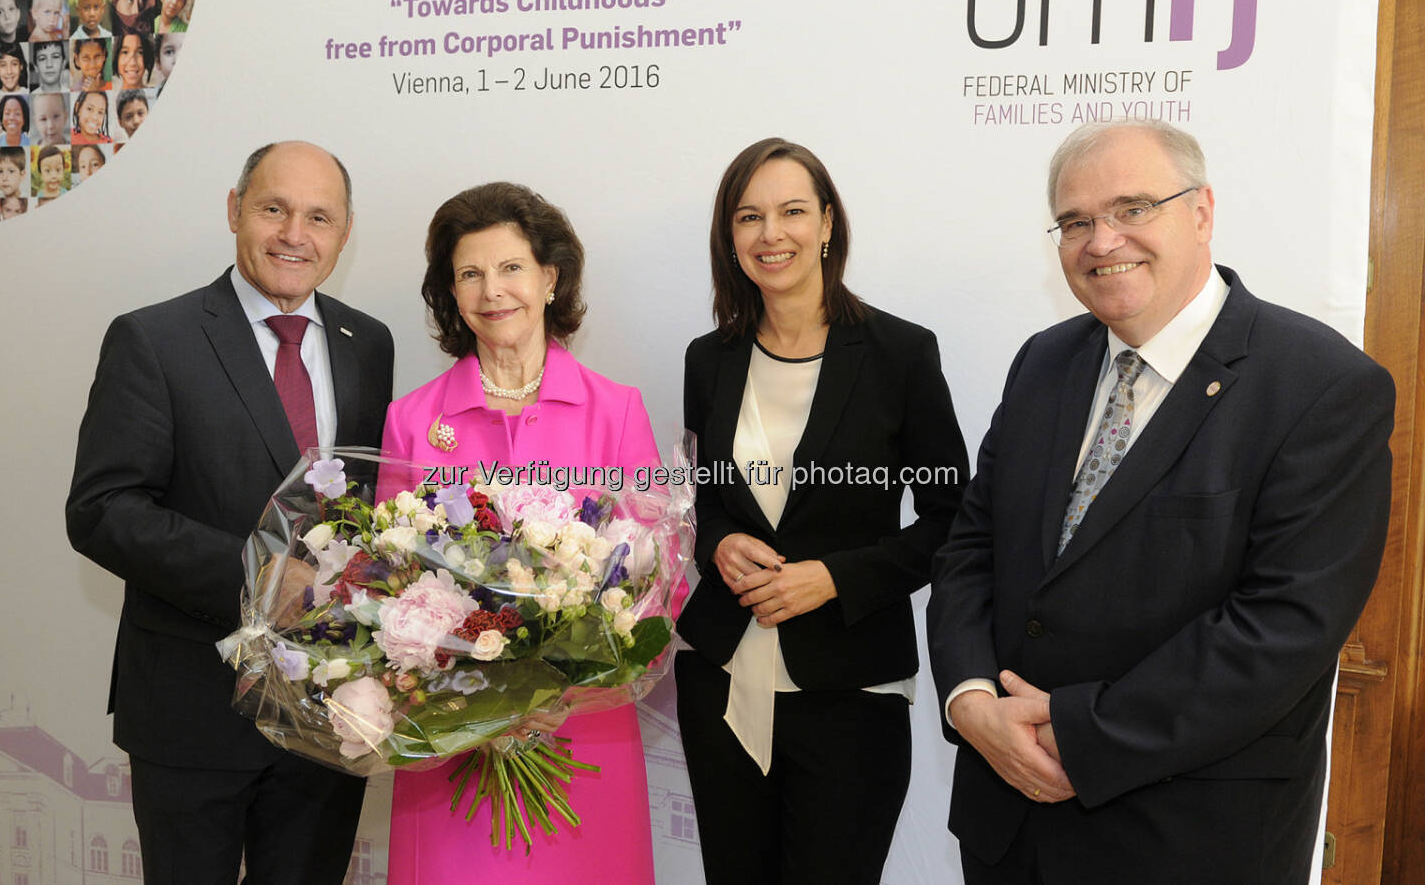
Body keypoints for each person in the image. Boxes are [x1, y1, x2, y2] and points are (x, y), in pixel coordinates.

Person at [926, 120, 1394, 884]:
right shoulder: (1044, 363)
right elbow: (972, 549)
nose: (1102, 240)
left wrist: (1079, 737)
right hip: (1008, 831)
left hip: (1187, 842)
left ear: (1202, 211)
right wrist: (971, 701)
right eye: (1075, 221)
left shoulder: (1321, 387)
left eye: (1133, 208)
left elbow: (1281, 628)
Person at [65, 141, 394, 883]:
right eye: (273, 208)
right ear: (234, 210)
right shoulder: (154, 338)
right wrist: (258, 573)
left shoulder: (368, 343)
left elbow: (369, 508)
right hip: (193, 712)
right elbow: (102, 509)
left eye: (319, 217)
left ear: (343, 234)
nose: (293, 234)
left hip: (329, 716)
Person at [675, 138, 969, 884]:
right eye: (749, 216)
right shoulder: (710, 359)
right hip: (721, 677)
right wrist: (717, 543)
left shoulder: (900, 353)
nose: (771, 234)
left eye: (792, 211)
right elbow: (704, 500)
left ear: (829, 223)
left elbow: (953, 522)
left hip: (850, 686)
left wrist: (834, 578)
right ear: (729, 236)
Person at [380, 181, 659, 883]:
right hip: (451, 739)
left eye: (510, 268)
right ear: (450, 291)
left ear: (549, 276)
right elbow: (385, 582)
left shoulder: (616, 410)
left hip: (583, 735)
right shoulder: (412, 420)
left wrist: (556, 691)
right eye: (469, 273)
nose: (492, 290)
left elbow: (656, 582)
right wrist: (473, 690)